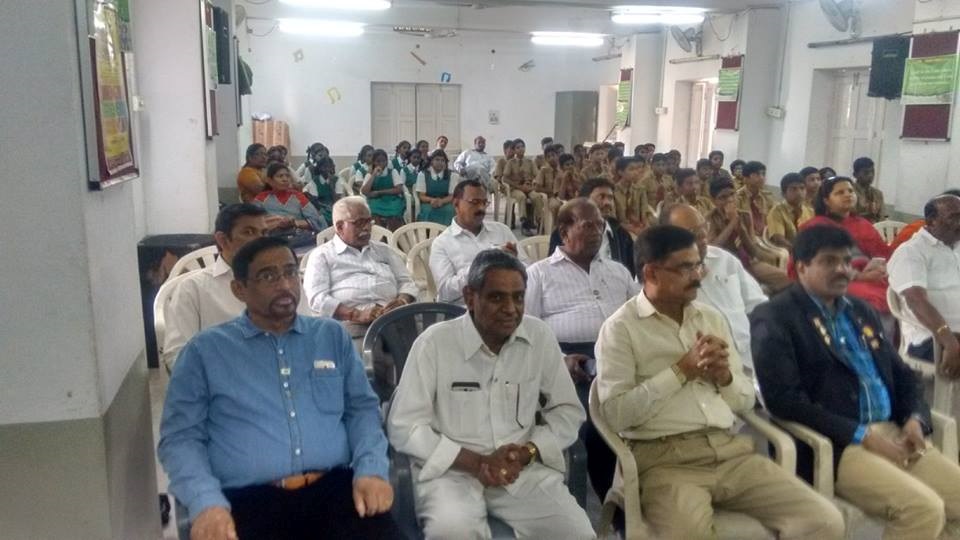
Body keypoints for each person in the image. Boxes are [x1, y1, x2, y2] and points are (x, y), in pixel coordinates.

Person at [595, 225, 844, 540]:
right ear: (652, 273)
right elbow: (616, 415)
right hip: (666, 463)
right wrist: (680, 371)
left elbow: (743, 402)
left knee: (825, 521)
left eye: (698, 264)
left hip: (731, 452)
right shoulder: (620, 329)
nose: (700, 274)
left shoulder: (710, 318)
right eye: (686, 267)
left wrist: (724, 377)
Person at [158, 237, 401, 540]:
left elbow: (362, 411)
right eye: (268, 276)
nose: (285, 285)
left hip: (337, 490)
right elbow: (180, 439)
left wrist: (371, 470)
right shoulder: (205, 352)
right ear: (240, 289)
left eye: (290, 272)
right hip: (247, 500)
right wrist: (205, 501)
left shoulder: (330, 337)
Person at [751, 225, 960, 539]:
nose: (842, 270)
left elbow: (903, 375)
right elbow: (783, 399)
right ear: (802, 266)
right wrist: (862, 435)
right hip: (838, 444)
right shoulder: (776, 316)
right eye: (829, 261)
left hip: (896, 432)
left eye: (847, 262)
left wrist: (916, 420)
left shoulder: (859, 311)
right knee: (922, 508)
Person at [386, 249, 595, 540]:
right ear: (470, 297)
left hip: (519, 470)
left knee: (577, 533)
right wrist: (477, 462)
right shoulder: (434, 344)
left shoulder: (539, 337)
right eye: (497, 297)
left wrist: (528, 452)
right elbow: (404, 425)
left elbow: (567, 412)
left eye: (518, 297)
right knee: (453, 531)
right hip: (451, 473)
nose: (511, 308)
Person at [526, 199, 639, 499]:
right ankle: (613, 503)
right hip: (573, 361)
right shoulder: (539, 274)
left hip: (621, 356)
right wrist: (561, 359)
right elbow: (526, 330)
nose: (598, 232)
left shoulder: (618, 272)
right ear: (564, 231)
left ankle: (646, 490)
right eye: (588, 225)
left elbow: (641, 313)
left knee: (647, 413)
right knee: (596, 424)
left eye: (601, 225)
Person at [161, 204, 311, 369]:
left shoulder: (287, 283)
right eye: (249, 232)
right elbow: (177, 355)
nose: (260, 241)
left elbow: (308, 335)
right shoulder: (193, 289)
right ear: (223, 240)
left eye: (264, 233)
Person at [661, 203, 767, 374]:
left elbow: (759, 306)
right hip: (712, 373)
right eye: (694, 233)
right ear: (668, 238)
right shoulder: (662, 278)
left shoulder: (723, 259)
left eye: (704, 227)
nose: (703, 236)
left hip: (756, 360)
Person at [303, 197, 418, 343]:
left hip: (395, 318)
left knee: (426, 348)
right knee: (372, 358)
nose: (366, 228)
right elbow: (317, 298)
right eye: (359, 223)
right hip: (351, 324)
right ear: (339, 227)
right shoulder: (322, 255)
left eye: (369, 221)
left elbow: (407, 281)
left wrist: (402, 300)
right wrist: (356, 314)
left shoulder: (384, 250)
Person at [800, 176, 891, 315]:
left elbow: (883, 254)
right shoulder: (816, 226)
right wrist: (860, 276)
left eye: (850, 191)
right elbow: (817, 266)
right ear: (826, 201)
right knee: (873, 299)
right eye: (840, 192)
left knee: (901, 292)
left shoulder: (862, 224)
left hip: (872, 276)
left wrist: (881, 269)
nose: (848, 194)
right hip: (836, 280)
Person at [889, 193, 960, 369]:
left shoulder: (956, 248)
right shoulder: (911, 252)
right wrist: (949, 340)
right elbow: (916, 300)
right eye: (954, 217)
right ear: (931, 220)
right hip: (933, 338)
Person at [430, 180, 518, 305]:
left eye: (484, 203)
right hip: (465, 313)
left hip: (505, 306)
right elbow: (446, 292)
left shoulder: (502, 231)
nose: (481, 208)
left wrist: (514, 263)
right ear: (456, 204)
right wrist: (484, 265)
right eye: (474, 202)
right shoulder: (442, 243)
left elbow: (528, 270)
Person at [707, 177, 791, 293]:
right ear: (713, 200)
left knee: (786, 280)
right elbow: (712, 249)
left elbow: (753, 251)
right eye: (723, 197)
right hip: (724, 266)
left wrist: (741, 229)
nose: (730, 200)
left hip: (747, 262)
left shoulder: (745, 216)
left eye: (732, 195)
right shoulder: (710, 218)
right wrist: (732, 223)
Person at [550, 178, 635, 277]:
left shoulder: (620, 234)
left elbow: (631, 271)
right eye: (601, 197)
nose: (607, 203)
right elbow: (554, 270)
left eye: (610, 198)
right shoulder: (566, 232)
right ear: (585, 201)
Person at [254, 162, 327, 246]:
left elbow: (316, 221)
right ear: (270, 181)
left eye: (287, 176)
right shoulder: (261, 198)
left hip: (299, 238)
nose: (285, 179)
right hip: (271, 241)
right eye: (280, 176)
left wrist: (294, 223)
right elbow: (253, 222)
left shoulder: (298, 196)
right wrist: (276, 222)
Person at [502, 138, 542, 235]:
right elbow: (505, 178)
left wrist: (531, 183)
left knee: (536, 196)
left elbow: (537, 175)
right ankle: (525, 224)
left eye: (523, 147)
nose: (521, 149)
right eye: (518, 147)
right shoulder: (510, 163)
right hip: (516, 188)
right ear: (514, 150)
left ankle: (540, 221)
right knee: (521, 197)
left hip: (528, 187)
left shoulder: (530, 162)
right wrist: (519, 186)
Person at [765, 172, 814, 249]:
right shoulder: (776, 211)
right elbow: (779, 239)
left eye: (802, 188)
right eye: (794, 189)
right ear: (784, 194)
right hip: (785, 252)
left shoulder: (810, 212)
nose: (799, 193)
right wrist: (799, 251)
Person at [360, 149, 406, 231]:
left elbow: (399, 189)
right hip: (376, 200)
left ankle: (393, 234)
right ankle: (381, 236)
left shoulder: (392, 172)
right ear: (374, 162)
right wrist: (373, 175)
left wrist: (380, 192)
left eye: (384, 161)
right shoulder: (370, 174)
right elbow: (364, 191)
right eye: (378, 161)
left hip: (392, 199)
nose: (381, 164)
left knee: (395, 212)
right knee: (374, 211)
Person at [415, 149, 458, 225]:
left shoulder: (452, 175)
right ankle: (428, 235)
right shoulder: (423, 174)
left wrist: (441, 201)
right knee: (427, 211)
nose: (440, 162)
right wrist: (432, 200)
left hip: (446, 202)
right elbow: (421, 196)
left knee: (450, 210)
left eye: (442, 160)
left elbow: (452, 196)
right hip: (428, 203)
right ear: (431, 161)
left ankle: (446, 235)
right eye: (437, 160)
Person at [735, 161, 776, 236]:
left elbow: (774, 218)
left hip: (766, 236)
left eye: (763, 174)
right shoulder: (738, 197)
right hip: (745, 236)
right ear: (745, 178)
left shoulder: (768, 197)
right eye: (757, 174)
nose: (761, 178)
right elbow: (738, 223)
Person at [302, 156, 343, 225]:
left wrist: (332, 187)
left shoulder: (336, 180)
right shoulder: (315, 182)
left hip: (335, 207)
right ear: (320, 168)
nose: (328, 169)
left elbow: (337, 201)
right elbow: (315, 203)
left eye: (330, 167)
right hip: (321, 209)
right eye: (325, 167)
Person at [532, 143, 564, 231]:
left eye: (553, 155)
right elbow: (537, 188)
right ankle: (555, 229)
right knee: (556, 206)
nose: (551, 158)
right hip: (550, 197)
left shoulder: (562, 169)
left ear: (557, 156)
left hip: (562, 196)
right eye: (548, 157)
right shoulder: (543, 170)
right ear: (546, 159)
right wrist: (551, 191)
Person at [852, 156, 886, 222]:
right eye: (866, 172)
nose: (871, 175)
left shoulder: (878, 194)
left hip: (875, 228)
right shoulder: (850, 192)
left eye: (872, 172)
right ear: (855, 175)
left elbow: (883, 217)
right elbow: (850, 217)